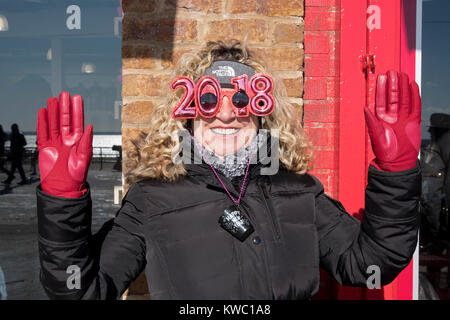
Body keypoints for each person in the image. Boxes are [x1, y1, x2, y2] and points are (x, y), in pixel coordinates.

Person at [36, 41, 422, 300]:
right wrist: (61, 201)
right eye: (208, 101)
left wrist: (397, 171)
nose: (224, 114)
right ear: (186, 114)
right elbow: (81, 292)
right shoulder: (152, 199)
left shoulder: (298, 191)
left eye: (241, 100)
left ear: (261, 110)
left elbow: (371, 264)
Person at [420, 113, 450, 247]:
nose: (428, 132)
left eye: (431, 129)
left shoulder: (434, 156)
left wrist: (437, 233)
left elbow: (431, 197)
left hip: (437, 234)